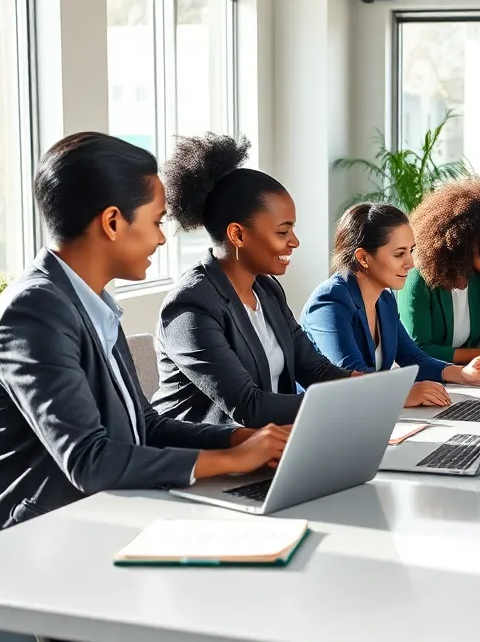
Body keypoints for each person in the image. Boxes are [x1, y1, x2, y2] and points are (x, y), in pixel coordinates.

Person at [0, 132, 289, 642]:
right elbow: (90, 460)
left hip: (87, 541)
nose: (160, 237)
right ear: (111, 222)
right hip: (22, 573)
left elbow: (141, 424)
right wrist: (226, 464)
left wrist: (239, 439)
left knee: (256, 585)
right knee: (235, 614)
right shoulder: (33, 313)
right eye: (154, 221)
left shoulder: (91, 303)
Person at [150, 133, 363, 429]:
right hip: (206, 460)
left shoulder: (267, 289)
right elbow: (249, 406)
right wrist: (353, 401)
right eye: (282, 232)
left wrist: (380, 388)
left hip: (273, 443)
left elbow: (314, 370)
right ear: (237, 234)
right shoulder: (190, 306)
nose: (294, 242)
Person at [301, 203, 480, 400]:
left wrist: (463, 373)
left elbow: (412, 357)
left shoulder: (385, 300)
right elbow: (352, 378)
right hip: (324, 423)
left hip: (371, 417)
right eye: (399, 254)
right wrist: (404, 394)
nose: (410, 263)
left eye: (411, 251)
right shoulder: (329, 302)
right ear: (363, 257)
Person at [398, 177, 480, 363]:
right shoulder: (418, 279)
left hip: (471, 378)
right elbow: (418, 350)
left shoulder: (479, 280)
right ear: (460, 241)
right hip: (430, 381)